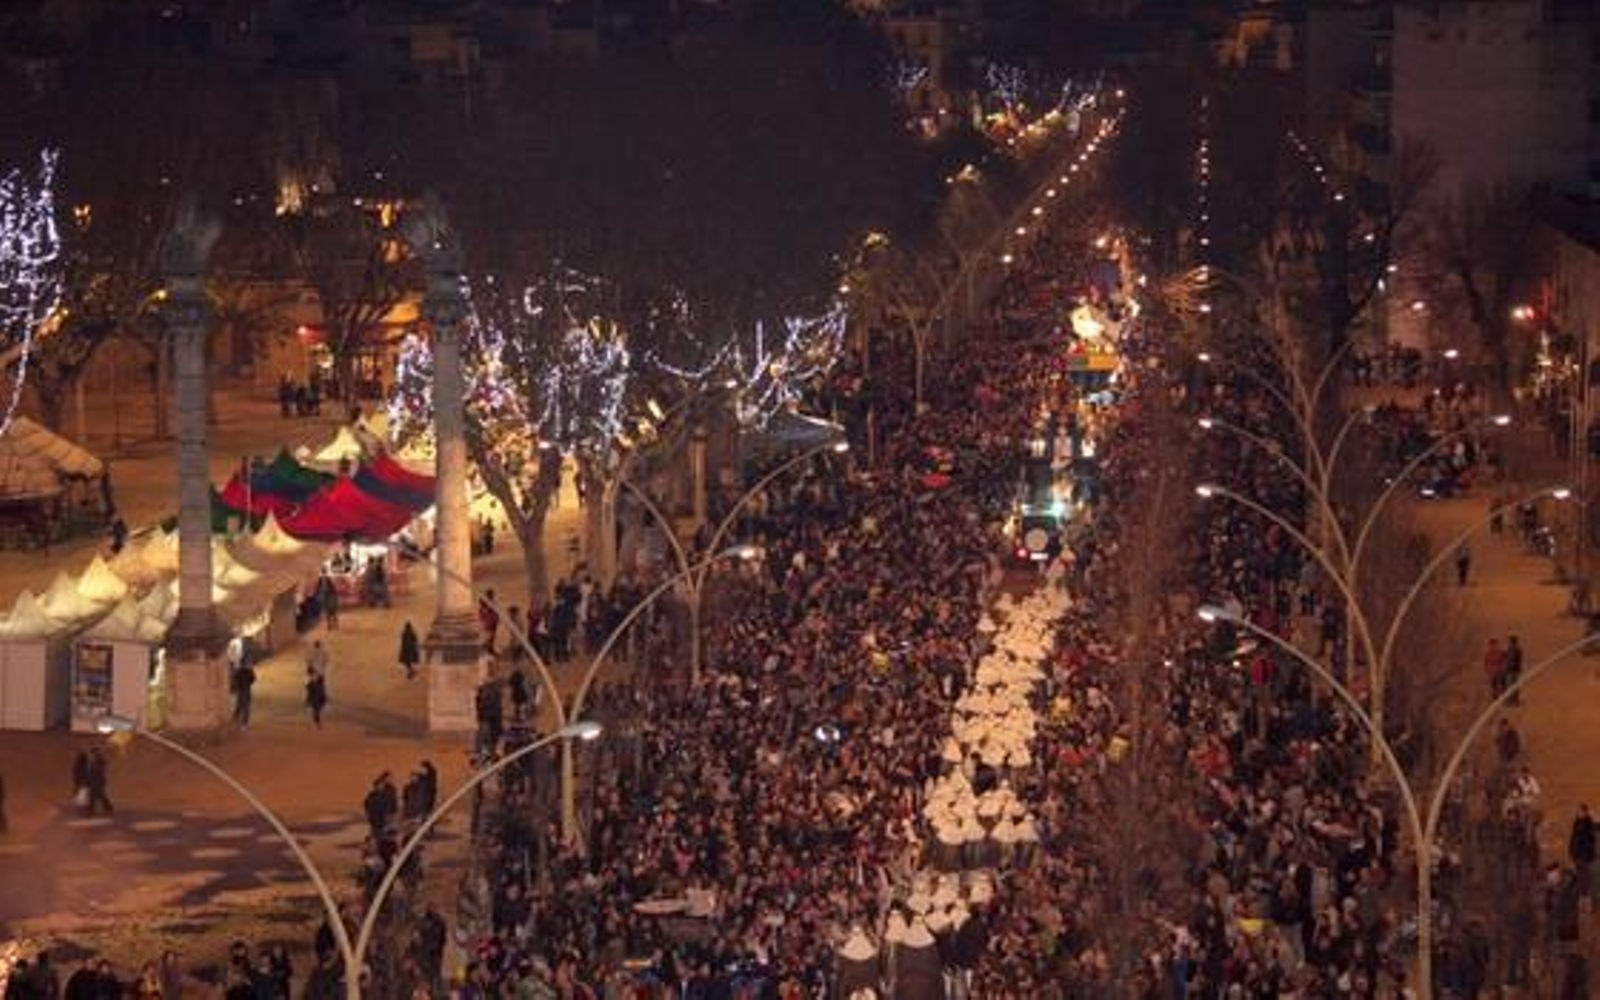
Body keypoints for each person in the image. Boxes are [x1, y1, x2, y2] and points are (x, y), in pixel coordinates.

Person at [1570, 804, 1596, 893]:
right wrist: (1571, 850)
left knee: (1585, 876)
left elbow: (1590, 840)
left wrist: (1586, 853)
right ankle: (1581, 893)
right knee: (1579, 875)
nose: (1579, 813)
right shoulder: (1576, 823)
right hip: (1577, 854)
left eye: (1581, 811)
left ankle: (1585, 894)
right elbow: (1573, 838)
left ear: (1585, 812)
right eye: (1578, 812)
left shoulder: (1589, 824)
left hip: (1584, 855)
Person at [306, 643, 329, 728]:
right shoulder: (323, 652)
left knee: (314, 697)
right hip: (319, 677)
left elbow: (309, 663)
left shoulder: (311, 653)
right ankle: (317, 713)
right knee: (318, 695)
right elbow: (326, 661)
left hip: (316, 680)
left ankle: (316, 712)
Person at [85, 747, 112, 817]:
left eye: (93, 753)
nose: (92, 754)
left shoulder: (99, 759)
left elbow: (99, 769)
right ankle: (107, 807)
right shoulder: (94, 760)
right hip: (95, 780)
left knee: (96, 795)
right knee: (97, 795)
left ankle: (92, 810)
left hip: (98, 780)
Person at [231, 657, 256, 727]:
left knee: (240, 704)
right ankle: (243, 721)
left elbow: (236, 679)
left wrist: (237, 686)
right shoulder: (249, 670)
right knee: (245, 706)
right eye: (247, 662)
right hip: (246, 689)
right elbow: (253, 679)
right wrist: (248, 683)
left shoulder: (240, 670)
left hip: (241, 689)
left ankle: (237, 718)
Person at [1503, 634, 1524, 705]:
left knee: (1511, 685)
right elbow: (1520, 660)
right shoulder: (1516, 649)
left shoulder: (1512, 649)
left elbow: (1512, 660)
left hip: (1512, 670)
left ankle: (1512, 700)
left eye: (1510, 641)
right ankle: (1514, 700)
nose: (1509, 643)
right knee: (1514, 685)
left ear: (1512, 642)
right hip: (1514, 670)